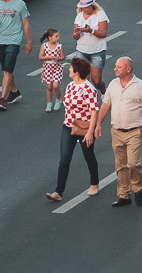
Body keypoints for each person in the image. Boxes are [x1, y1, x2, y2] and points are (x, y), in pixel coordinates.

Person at [95, 55, 142, 208]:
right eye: (116, 66)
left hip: (134, 130)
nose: (115, 69)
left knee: (133, 163)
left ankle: (138, 188)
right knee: (120, 165)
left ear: (128, 69)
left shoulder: (140, 86)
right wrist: (98, 124)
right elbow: (105, 105)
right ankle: (124, 195)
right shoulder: (113, 84)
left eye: (119, 67)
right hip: (116, 130)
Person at [44, 55, 101, 202]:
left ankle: (94, 183)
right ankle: (58, 191)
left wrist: (90, 132)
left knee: (88, 156)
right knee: (64, 159)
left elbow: (94, 111)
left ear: (76, 72)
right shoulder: (70, 85)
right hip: (68, 126)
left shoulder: (89, 89)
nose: (69, 70)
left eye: (70, 68)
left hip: (83, 128)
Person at [0, 0, 32, 110]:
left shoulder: (20, 4)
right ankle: (14, 91)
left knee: (7, 70)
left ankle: (2, 99)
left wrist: (29, 42)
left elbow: (25, 24)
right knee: (7, 69)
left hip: (14, 41)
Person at [72, 0, 110, 91]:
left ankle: (103, 91)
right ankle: (87, 99)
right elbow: (75, 36)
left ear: (92, 5)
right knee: (82, 79)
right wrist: (77, 33)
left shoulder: (100, 14)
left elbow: (103, 33)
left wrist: (91, 30)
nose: (85, 9)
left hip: (97, 51)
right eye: (83, 7)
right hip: (81, 50)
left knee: (96, 81)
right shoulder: (79, 16)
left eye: (87, 7)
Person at [39, 27, 65, 111]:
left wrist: (58, 58)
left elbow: (63, 57)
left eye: (58, 36)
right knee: (49, 87)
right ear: (50, 38)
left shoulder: (59, 46)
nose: (58, 38)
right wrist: (47, 57)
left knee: (55, 86)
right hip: (47, 68)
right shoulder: (44, 46)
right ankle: (49, 103)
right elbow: (40, 57)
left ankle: (58, 100)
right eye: (56, 36)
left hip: (56, 68)